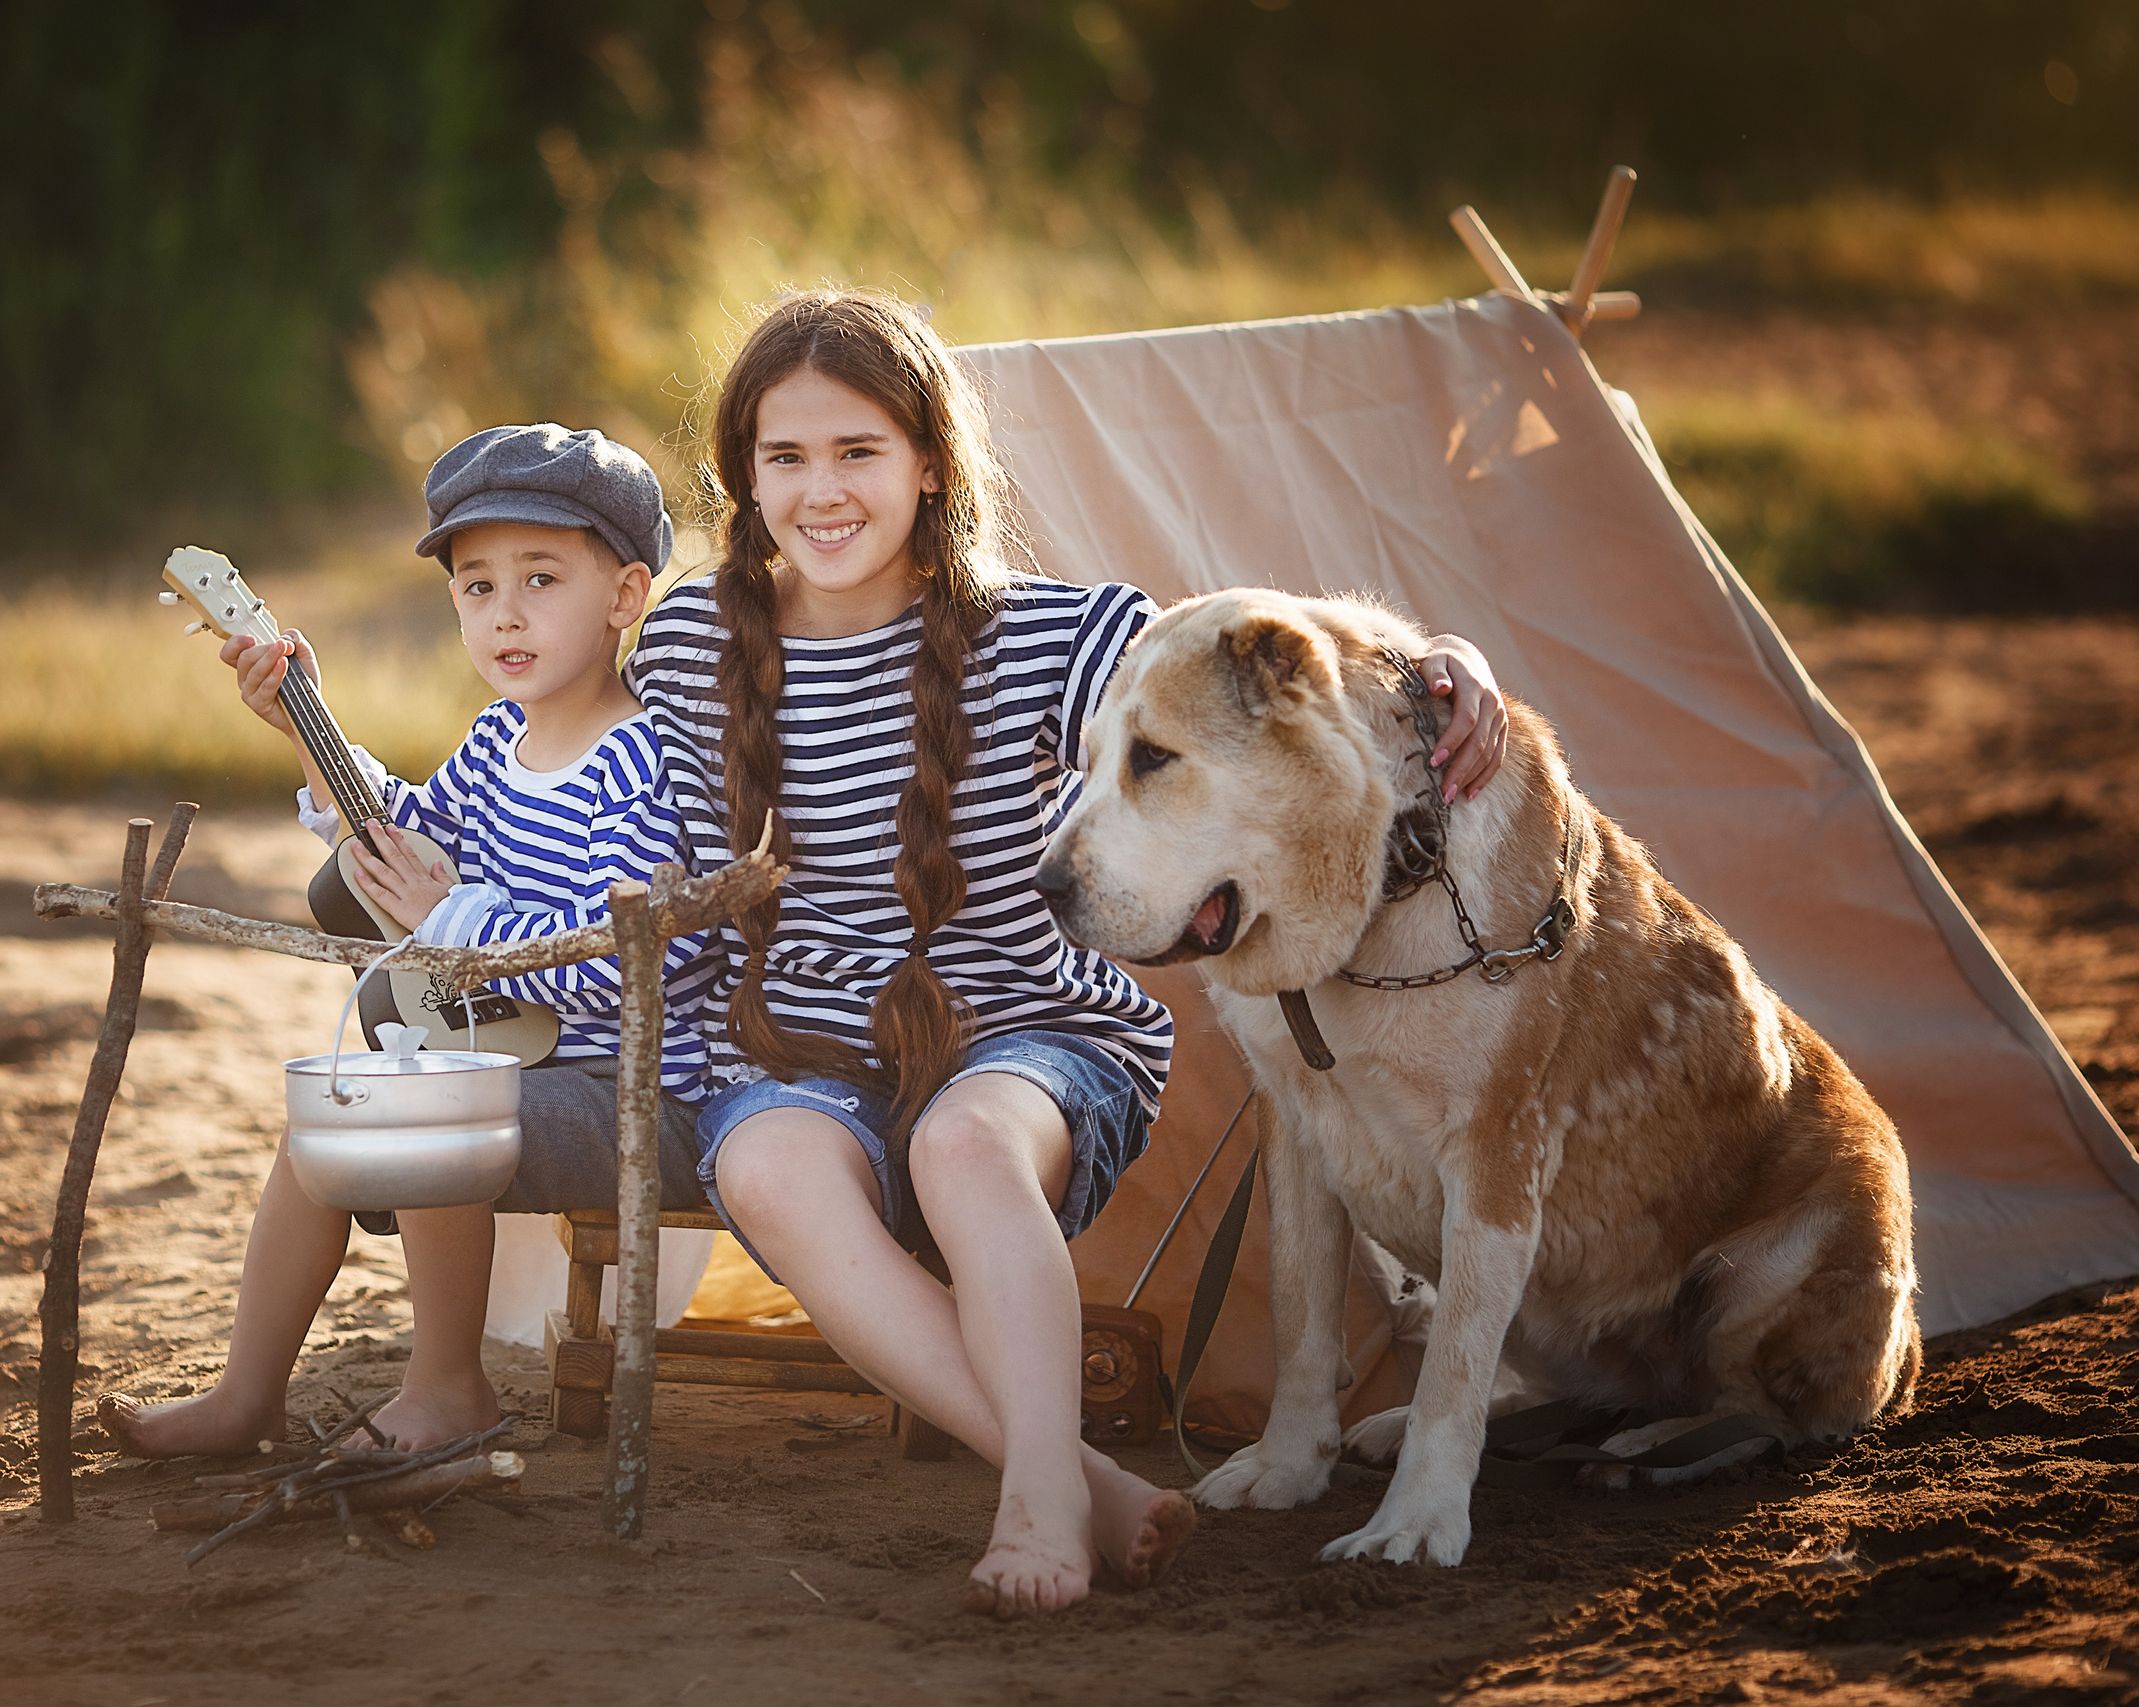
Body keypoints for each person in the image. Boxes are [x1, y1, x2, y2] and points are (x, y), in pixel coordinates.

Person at [626, 289, 1508, 1617]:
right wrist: (396, 847)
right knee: (762, 1160)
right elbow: (592, 797)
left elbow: (1248, 658)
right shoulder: (693, 641)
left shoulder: (1057, 632)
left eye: (857, 451)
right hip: (802, 1041)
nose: (822, 489)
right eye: (784, 456)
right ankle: (1086, 1472)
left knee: (963, 1144)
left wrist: (1432, 656)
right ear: (741, 476)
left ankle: (1039, 1499)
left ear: (929, 461)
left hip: (1032, 1035)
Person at [100, 423, 714, 1456]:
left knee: (425, 1095)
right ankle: (245, 1395)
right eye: (476, 587)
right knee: (324, 1122)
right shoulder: (494, 742)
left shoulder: (638, 762)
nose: (505, 612)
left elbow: (628, 966)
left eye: (540, 578)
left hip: (643, 1092)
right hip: (529, 1059)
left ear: (624, 597)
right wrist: (306, 719)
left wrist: (457, 918)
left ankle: (448, 1391)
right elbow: (403, 841)